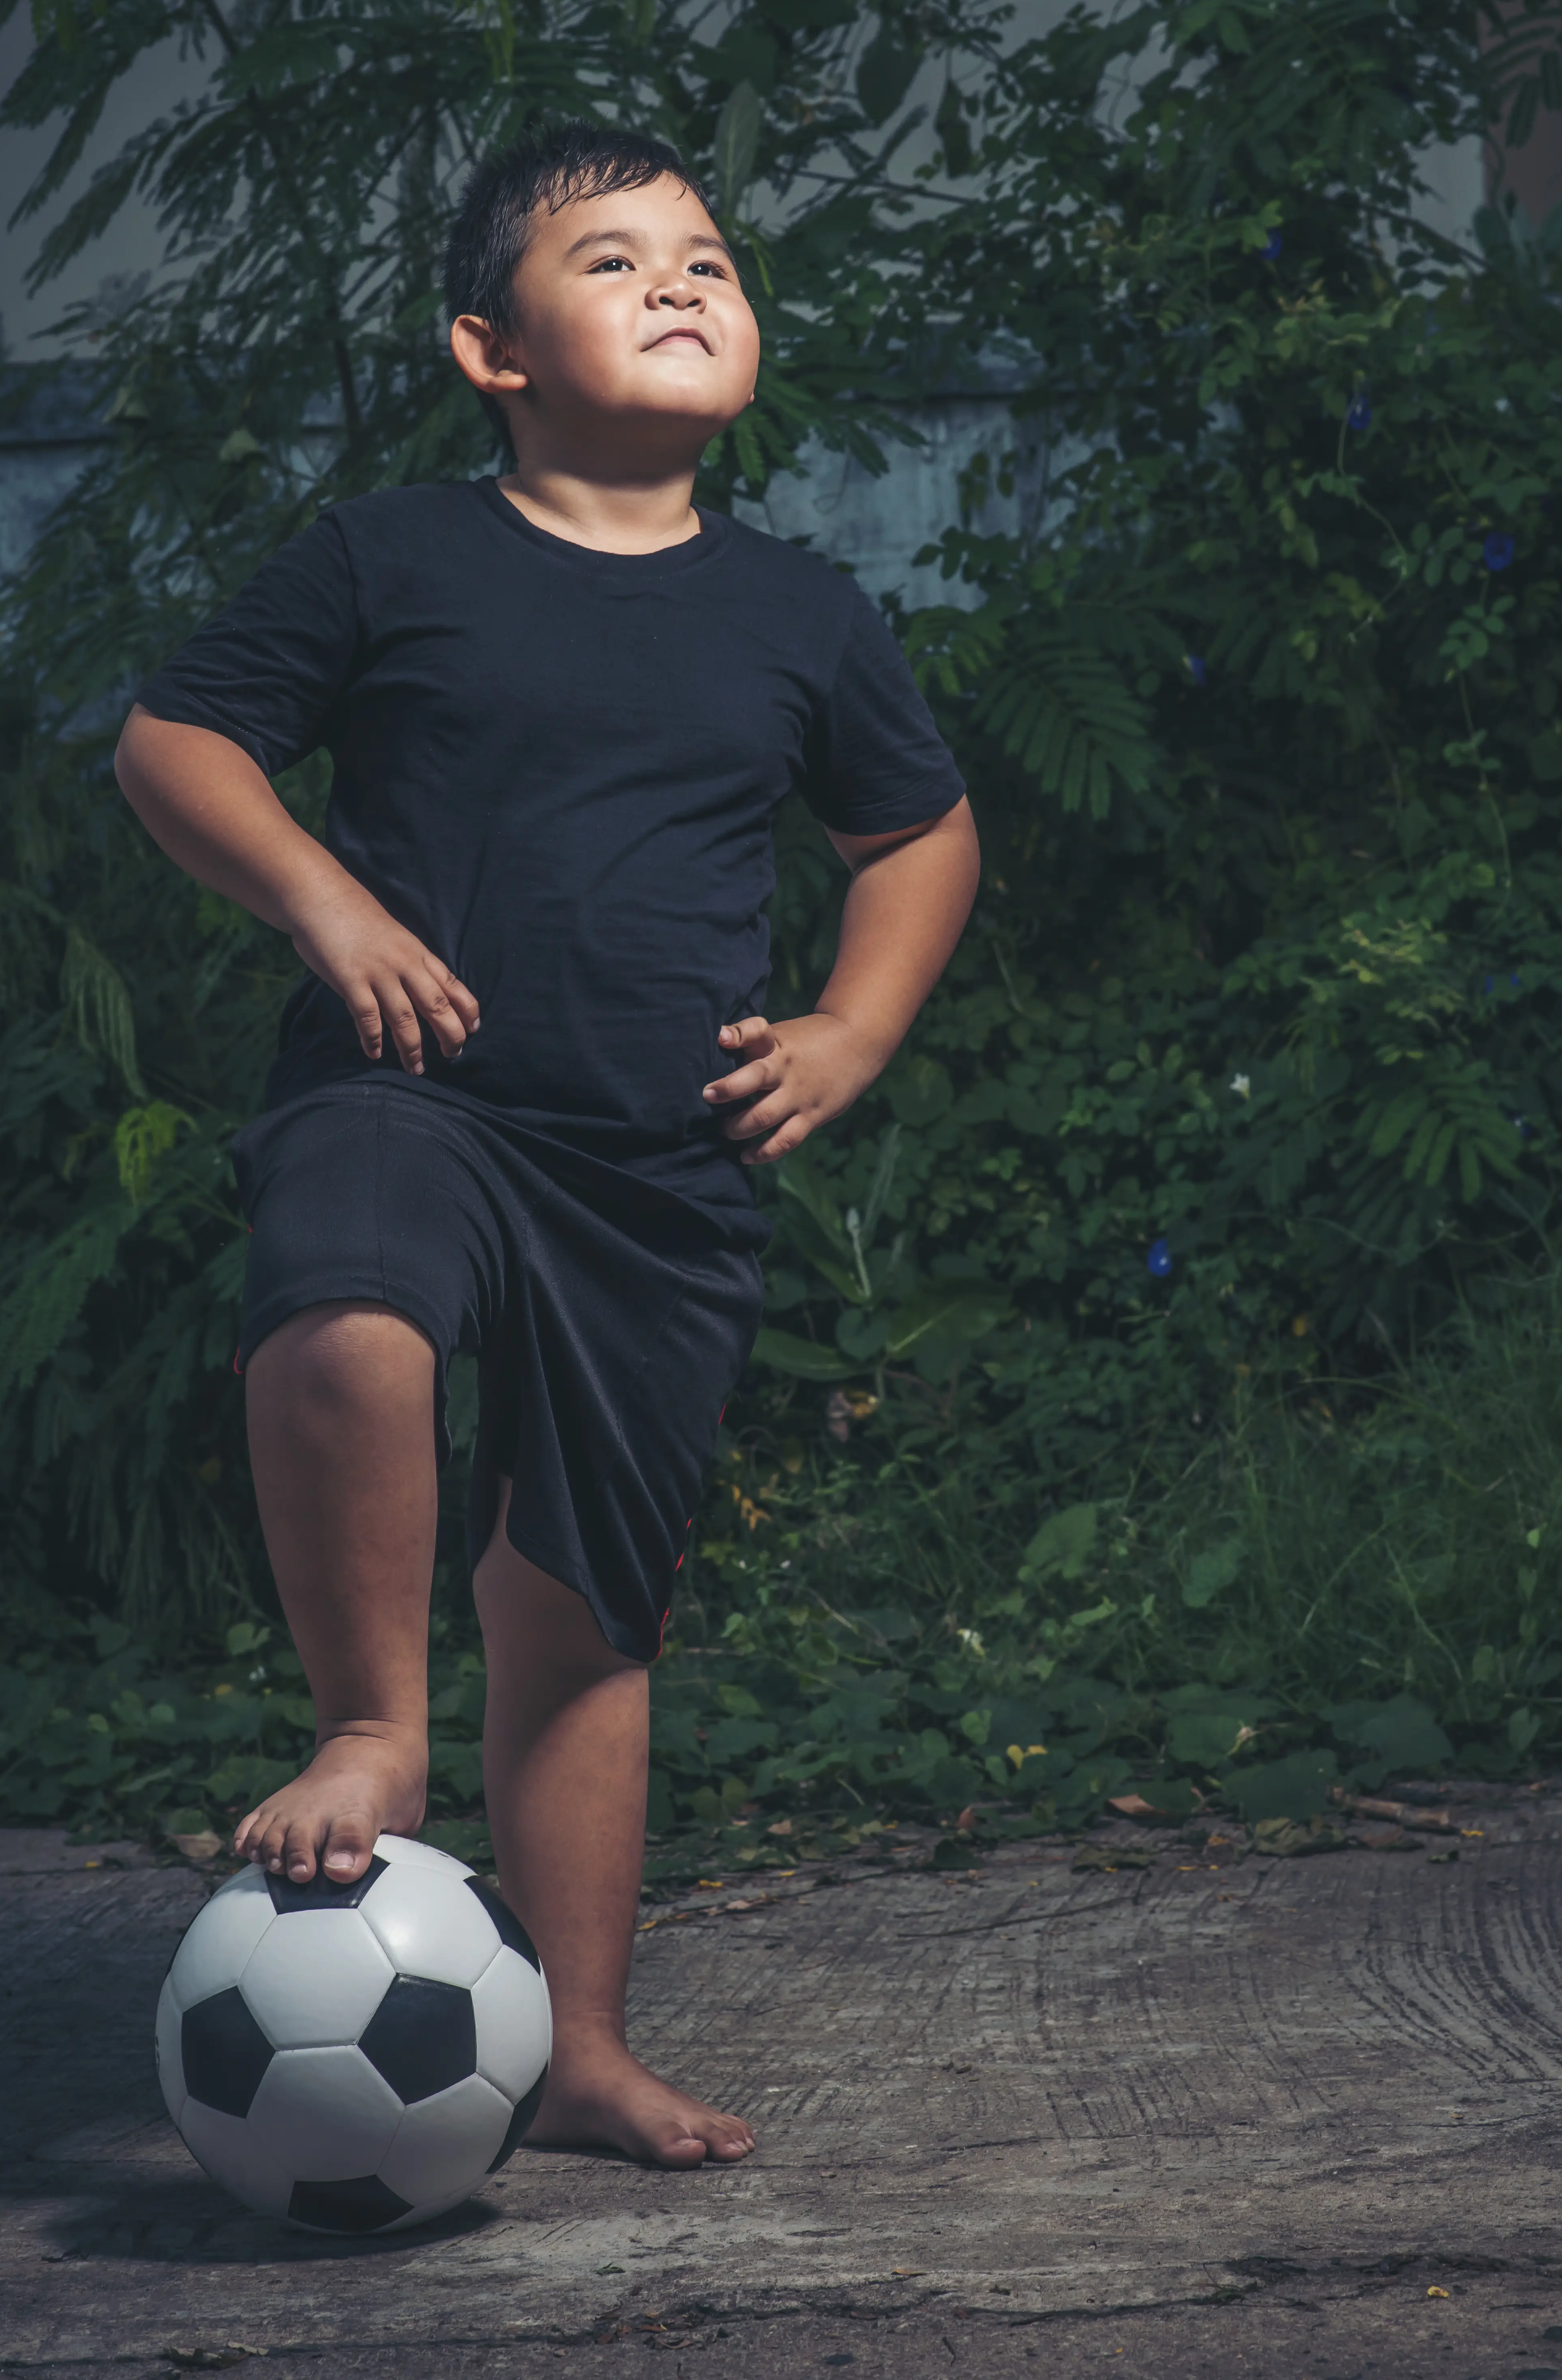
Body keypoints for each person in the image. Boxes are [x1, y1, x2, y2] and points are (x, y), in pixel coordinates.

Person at [114, 119, 979, 2170]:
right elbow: (174, 740)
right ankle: (369, 1720)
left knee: (585, 1616)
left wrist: (853, 1027)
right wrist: (329, 907)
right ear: (490, 350)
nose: (681, 280)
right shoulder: (391, 557)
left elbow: (918, 832)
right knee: (346, 1318)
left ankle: (576, 2044)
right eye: (614, 259)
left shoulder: (798, 612)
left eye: (709, 258)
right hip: (408, 1084)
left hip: (657, 1164)